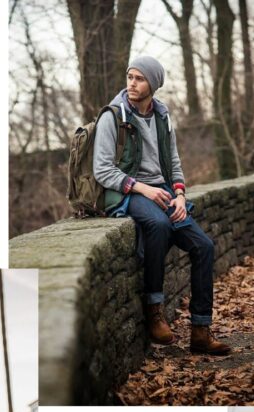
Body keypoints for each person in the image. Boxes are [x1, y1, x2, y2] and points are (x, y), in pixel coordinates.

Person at [92, 55, 231, 354]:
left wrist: (180, 195)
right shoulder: (112, 116)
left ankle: (201, 331)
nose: (132, 83)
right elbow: (102, 170)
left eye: (139, 78)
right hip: (129, 193)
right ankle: (155, 310)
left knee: (203, 246)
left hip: (164, 192)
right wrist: (143, 188)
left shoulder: (163, 117)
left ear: (153, 84)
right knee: (158, 224)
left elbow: (175, 164)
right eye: (130, 76)